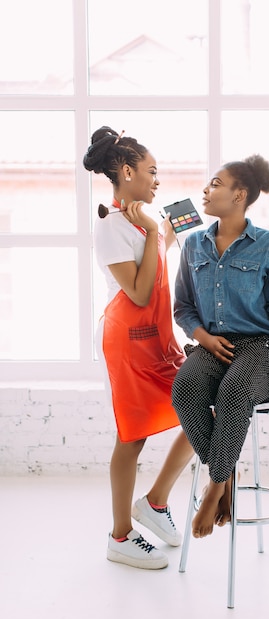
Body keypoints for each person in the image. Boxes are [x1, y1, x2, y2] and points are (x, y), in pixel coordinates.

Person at [172, 154, 269, 539]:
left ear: (239, 195)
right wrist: (202, 337)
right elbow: (183, 307)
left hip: (260, 346)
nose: (206, 190)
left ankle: (216, 486)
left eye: (216, 184)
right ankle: (227, 469)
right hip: (211, 345)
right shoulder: (193, 246)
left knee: (234, 393)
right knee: (185, 389)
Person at [83, 126, 194, 569]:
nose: (157, 181)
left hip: (158, 341)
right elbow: (143, 292)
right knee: (132, 438)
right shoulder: (111, 225)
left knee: (202, 409)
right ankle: (120, 536)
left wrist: (174, 224)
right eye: (151, 172)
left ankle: (156, 502)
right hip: (127, 344)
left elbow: (164, 246)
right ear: (127, 172)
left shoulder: (139, 222)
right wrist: (152, 230)